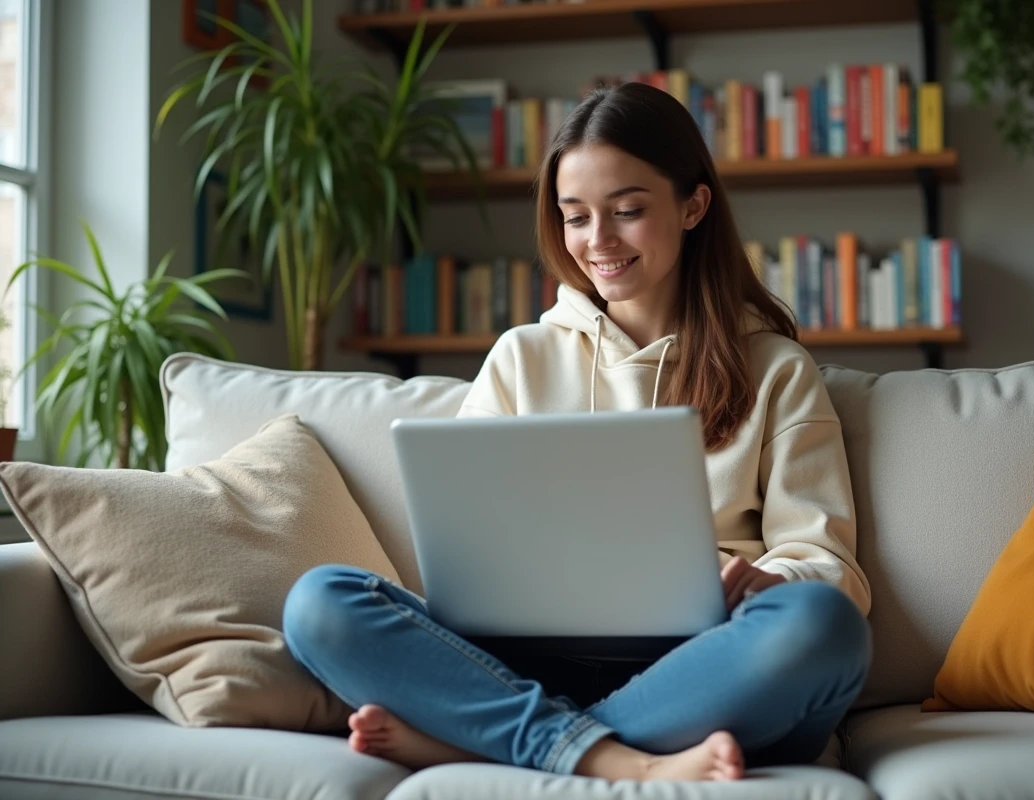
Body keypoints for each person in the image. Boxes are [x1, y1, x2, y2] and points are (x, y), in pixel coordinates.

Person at [282, 82, 872, 783]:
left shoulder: (776, 369)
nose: (598, 242)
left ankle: (494, 739)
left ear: (693, 205)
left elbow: (832, 570)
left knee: (822, 627)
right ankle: (619, 759)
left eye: (626, 211)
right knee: (320, 604)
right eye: (575, 217)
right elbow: (460, 548)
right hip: (527, 657)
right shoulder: (522, 357)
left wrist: (764, 581)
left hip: (703, 666)